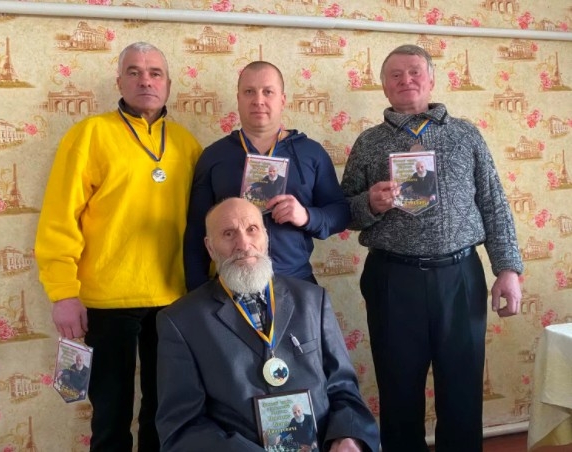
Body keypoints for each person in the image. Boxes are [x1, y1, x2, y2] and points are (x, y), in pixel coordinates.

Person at [340, 44, 523, 452]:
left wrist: (508, 269)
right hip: (392, 279)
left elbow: (493, 202)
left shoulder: (466, 135)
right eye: (395, 74)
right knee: (398, 390)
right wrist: (370, 203)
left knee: (463, 390)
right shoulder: (369, 142)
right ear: (384, 86)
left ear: (432, 79)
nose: (406, 80)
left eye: (415, 71)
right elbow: (343, 211)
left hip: (460, 279)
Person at [35, 42, 202, 451]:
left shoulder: (188, 145)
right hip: (106, 303)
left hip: (173, 301)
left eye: (155, 73)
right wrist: (63, 292)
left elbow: (204, 225)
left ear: (168, 84)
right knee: (110, 418)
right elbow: (59, 218)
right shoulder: (90, 134)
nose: (146, 80)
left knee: (163, 415)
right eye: (134, 71)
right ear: (119, 82)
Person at [156, 197, 380, 452]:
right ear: (210, 247)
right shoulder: (181, 321)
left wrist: (347, 437)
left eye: (252, 229)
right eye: (228, 234)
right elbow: (181, 428)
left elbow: (344, 389)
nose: (243, 244)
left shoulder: (312, 300)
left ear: (266, 236)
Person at [183, 61, 350, 290]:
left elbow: (340, 214)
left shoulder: (312, 153)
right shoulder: (213, 156)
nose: (258, 100)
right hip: (232, 285)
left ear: (282, 99)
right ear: (238, 99)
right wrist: (198, 293)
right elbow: (196, 230)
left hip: (296, 282)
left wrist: (306, 216)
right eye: (249, 92)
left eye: (268, 92)